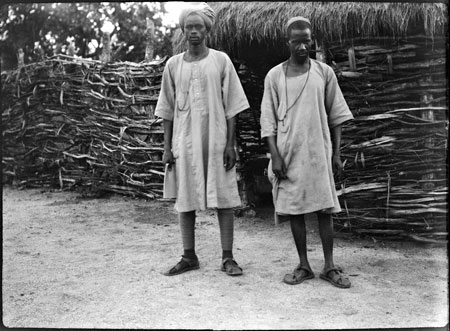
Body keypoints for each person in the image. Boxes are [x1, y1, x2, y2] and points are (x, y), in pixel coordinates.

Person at [155, 3, 249, 277]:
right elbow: (167, 109)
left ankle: (228, 257)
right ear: (183, 30)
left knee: (223, 196)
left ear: (207, 29)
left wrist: (230, 144)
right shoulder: (173, 65)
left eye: (198, 27)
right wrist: (167, 147)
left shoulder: (220, 61)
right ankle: (189, 255)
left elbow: (232, 106)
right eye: (189, 27)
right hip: (184, 141)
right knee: (185, 197)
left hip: (216, 138)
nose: (194, 31)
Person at [260, 16, 353, 288]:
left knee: (325, 209)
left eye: (306, 41)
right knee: (296, 210)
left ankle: (329, 266)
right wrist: (275, 155)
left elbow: (336, 115)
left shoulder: (324, 73)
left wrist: (336, 153)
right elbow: (267, 121)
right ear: (287, 42)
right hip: (288, 151)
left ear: (312, 41)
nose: (302, 47)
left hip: (318, 150)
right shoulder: (274, 76)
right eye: (296, 41)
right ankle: (304, 265)